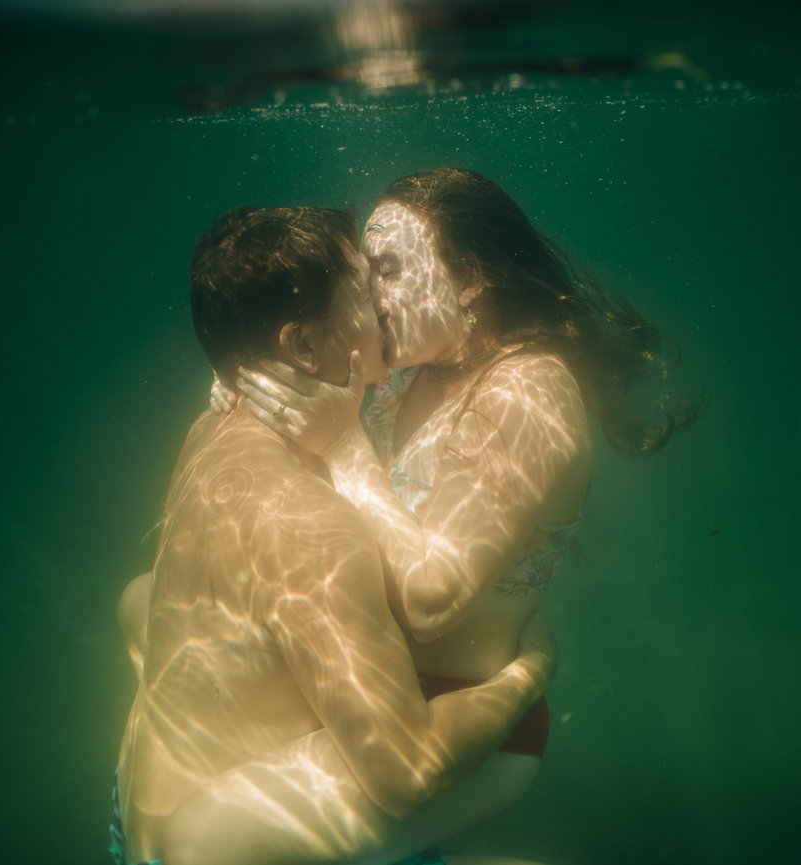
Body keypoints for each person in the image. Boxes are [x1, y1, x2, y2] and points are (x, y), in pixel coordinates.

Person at [231, 166, 694, 839]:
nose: (369, 297)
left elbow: (429, 599)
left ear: (472, 277)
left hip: (455, 723)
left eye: (388, 270)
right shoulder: (402, 373)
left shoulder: (527, 392)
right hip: (365, 689)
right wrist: (259, 399)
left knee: (204, 842)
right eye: (365, 275)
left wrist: (344, 447)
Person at [113, 205, 557, 865]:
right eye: (364, 290)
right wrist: (526, 674)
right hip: (219, 850)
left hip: (132, 823)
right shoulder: (313, 527)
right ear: (300, 345)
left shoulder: (208, 431)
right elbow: (405, 772)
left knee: (139, 595)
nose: (383, 303)